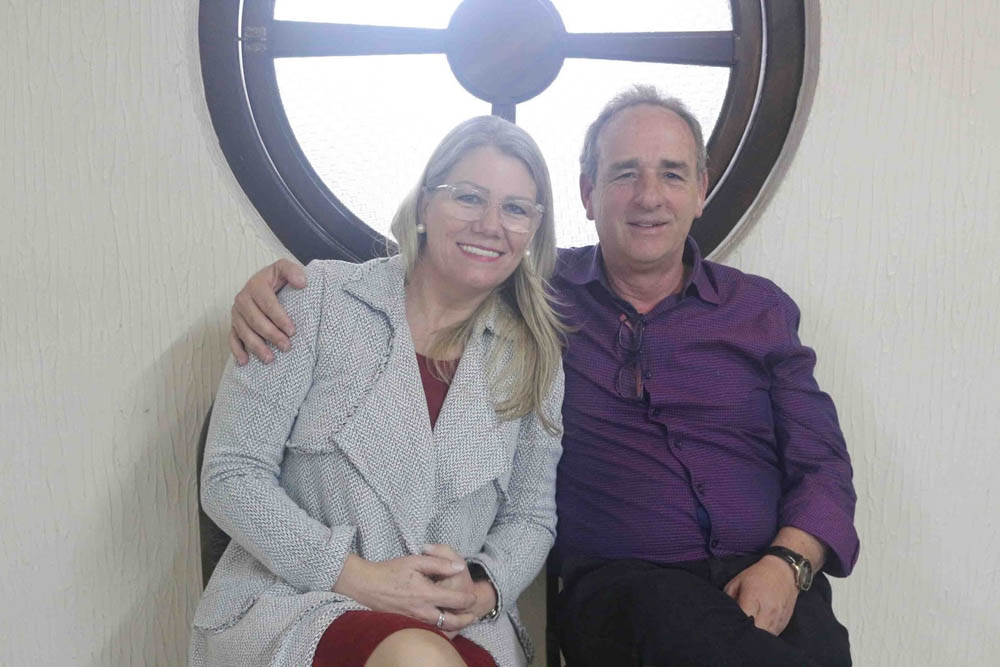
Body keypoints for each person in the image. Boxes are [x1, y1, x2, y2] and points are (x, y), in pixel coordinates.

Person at [229, 85, 859, 667]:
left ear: (700, 190)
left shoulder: (757, 311)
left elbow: (823, 465)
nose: (649, 196)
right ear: (587, 193)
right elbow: (430, 280)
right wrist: (269, 289)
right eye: (624, 174)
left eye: (672, 174)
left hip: (768, 574)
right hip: (630, 588)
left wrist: (789, 563)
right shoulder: (542, 302)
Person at [191, 115, 565, 667]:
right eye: (468, 197)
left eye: (515, 208)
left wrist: (483, 591)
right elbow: (231, 475)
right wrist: (360, 579)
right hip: (301, 605)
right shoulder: (316, 300)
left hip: (454, 624)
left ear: (534, 228)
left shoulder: (535, 357)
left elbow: (531, 517)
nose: (490, 225)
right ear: (424, 206)